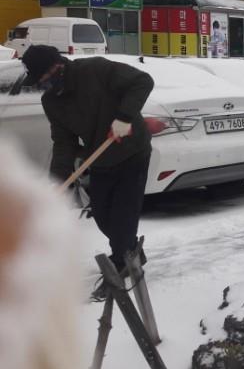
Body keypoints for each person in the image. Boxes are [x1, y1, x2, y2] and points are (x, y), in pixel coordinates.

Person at [21, 45, 154, 298]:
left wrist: (124, 117)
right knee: (104, 217)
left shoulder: (96, 70)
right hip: (101, 158)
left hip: (132, 151)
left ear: (57, 66)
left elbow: (142, 81)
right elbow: (63, 142)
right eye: (40, 83)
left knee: (122, 218)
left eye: (45, 79)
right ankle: (132, 252)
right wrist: (57, 181)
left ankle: (120, 267)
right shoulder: (51, 102)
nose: (44, 86)